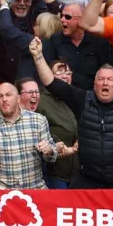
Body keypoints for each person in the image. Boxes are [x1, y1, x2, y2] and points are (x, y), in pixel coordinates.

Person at [30, 35, 113, 188]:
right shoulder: (83, 99)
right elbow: (53, 84)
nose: (105, 83)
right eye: (101, 79)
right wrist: (38, 56)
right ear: (94, 84)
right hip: (88, 180)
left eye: (110, 80)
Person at [35, 59, 79, 189]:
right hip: (54, 172)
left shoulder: (75, 98)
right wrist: (58, 144)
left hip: (76, 172)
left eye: (68, 73)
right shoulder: (40, 100)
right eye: (59, 72)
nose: (65, 76)